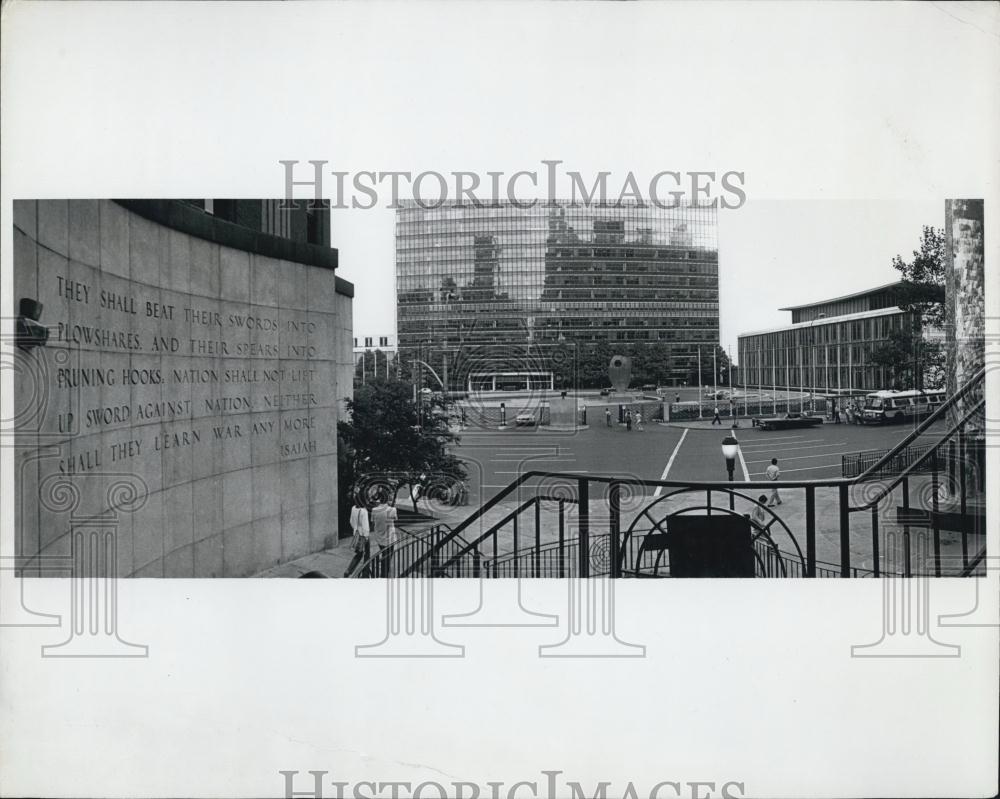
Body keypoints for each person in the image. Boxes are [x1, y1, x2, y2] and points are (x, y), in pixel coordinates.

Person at [369, 492, 399, 576]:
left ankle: (384, 573)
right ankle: (384, 574)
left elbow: (372, 522)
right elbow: (395, 519)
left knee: (384, 555)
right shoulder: (392, 510)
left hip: (379, 537)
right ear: (387, 499)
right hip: (390, 538)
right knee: (388, 557)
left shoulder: (374, 510)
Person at [343, 495, 370, 577]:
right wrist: (366, 536)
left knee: (359, 553)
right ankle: (362, 571)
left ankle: (349, 571)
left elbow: (351, 521)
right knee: (364, 554)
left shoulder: (353, 508)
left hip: (356, 533)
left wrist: (355, 529)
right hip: (363, 535)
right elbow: (365, 526)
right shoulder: (364, 511)